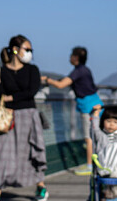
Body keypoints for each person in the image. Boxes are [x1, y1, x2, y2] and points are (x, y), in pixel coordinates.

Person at [0, 35, 48, 201]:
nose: (29, 53)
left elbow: (32, 91)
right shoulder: (3, 70)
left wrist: (11, 97)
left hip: (29, 115)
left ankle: (40, 186)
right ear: (15, 49)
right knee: (4, 154)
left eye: (30, 50)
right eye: (26, 49)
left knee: (33, 150)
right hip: (7, 117)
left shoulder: (32, 70)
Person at [42, 46, 102, 176]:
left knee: (89, 137)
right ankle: (99, 162)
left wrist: (47, 80)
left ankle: (90, 166)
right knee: (96, 135)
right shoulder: (86, 70)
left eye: (71, 55)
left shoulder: (78, 71)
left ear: (75, 58)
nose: (69, 57)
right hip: (95, 103)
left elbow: (61, 85)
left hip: (88, 107)